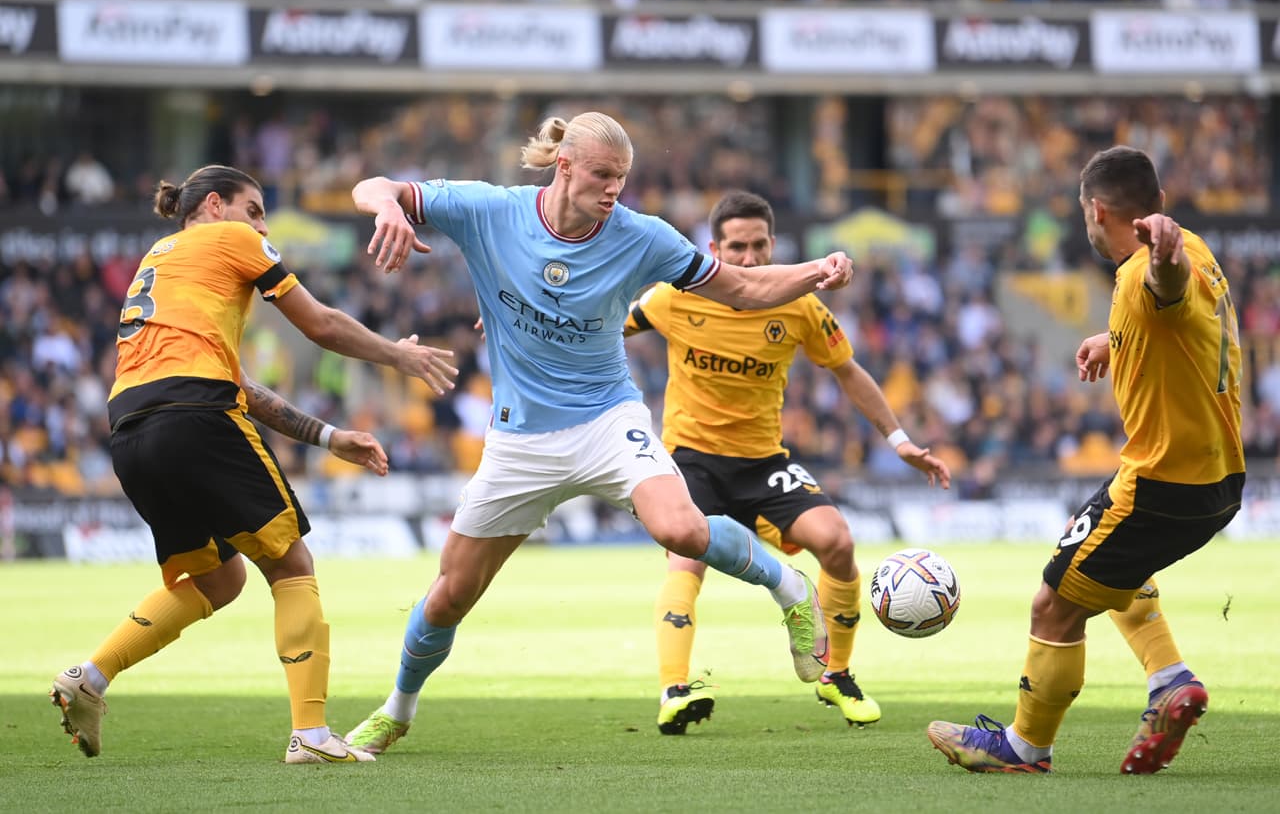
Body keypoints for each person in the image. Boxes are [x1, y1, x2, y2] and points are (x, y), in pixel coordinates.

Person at [342, 112, 855, 755]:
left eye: (622, 177)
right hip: (521, 441)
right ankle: (397, 709)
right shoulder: (490, 210)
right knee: (449, 596)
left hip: (607, 419)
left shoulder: (642, 236)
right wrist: (389, 207)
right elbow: (372, 186)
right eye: (603, 175)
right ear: (564, 166)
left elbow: (744, 289)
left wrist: (817, 269)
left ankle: (790, 589)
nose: (614, 189)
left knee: (681, 530)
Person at [50, 164, 459, 764]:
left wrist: (327, 436)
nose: (262, 227)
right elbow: (320, 323)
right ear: (215, 205)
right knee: (291, 563)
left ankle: (89, 678)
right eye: (254, 210)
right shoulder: (232, 239)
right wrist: (396, 355)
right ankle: (311, 735)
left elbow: (240, 383)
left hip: (131, 432)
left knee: (219, 579)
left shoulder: (159, 262)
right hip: (195, 414)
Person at [928, 146, 1245, 774]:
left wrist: (1163, 259)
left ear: (1096, 211)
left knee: (1053, 604)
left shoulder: (1151, 267)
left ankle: (1024, 748)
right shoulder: (1200, 249)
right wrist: (1116, 340)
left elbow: (1168, 286)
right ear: (1157, 201)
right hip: (1221, 479)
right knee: (1112, 567)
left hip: (1161, 482)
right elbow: (1187, 322)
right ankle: (1169, 680)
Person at [624, 190, 951, 734]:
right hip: (691, 460)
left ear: (774, 245)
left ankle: (836, 674)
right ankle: (674, 690)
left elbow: (848, 371)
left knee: (837, 541)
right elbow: (604, 323)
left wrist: (898, 441)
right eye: (737, 247)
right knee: (684, 560)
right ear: (713, 249)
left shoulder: (798, 304)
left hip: (762, 463)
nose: (750, 258)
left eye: (759, 246)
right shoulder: (672, 297)